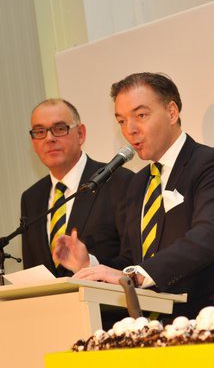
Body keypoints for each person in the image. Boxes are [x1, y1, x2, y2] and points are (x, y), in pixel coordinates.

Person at [53, 73, 214, 318]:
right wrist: (88, 265)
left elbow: (208, 237)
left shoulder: (210, 164)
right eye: (121, 121)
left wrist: (135, 276)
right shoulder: (138, 182)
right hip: (152, 324)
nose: (130, 130)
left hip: (209, 317)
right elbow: (132, 258)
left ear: (172, 112)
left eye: (141, 115)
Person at [21, 99, 134, 277]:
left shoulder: (120, 182)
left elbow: (135, 261)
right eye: (40, 132)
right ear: (33, 142)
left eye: (59, 129)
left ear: (81, 134)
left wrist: (89, 265)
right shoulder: (31, 198)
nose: (49, 138)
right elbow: (32, 270)